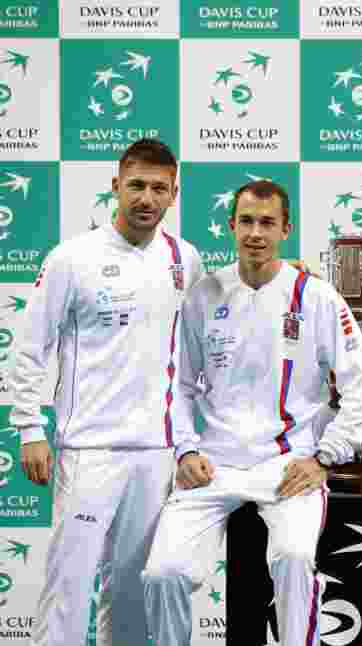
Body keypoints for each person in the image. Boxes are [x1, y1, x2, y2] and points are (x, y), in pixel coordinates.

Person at [141, 180, 362, 645]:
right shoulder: (203, 295)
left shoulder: (316, 297)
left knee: (293, 559)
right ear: (231, 226)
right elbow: (180, 385)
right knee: (162, 574)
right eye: (247, 221)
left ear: (285, 229)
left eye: (267, 223)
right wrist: (187, 449)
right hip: (213, 465)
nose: (256, 232)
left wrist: (324, 457)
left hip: (287, 465)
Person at [11, 139, 204, 646]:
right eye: (136, 185)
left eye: (158, 188)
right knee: (69, 585)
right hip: (88, 450)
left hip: (155, 454)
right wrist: (31, 428)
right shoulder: (71, 258)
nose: (146, 198)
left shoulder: (186, 259)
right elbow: (30, 347)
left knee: (132, 592)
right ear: (116, 186)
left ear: (174, 193)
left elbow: (205, 341)